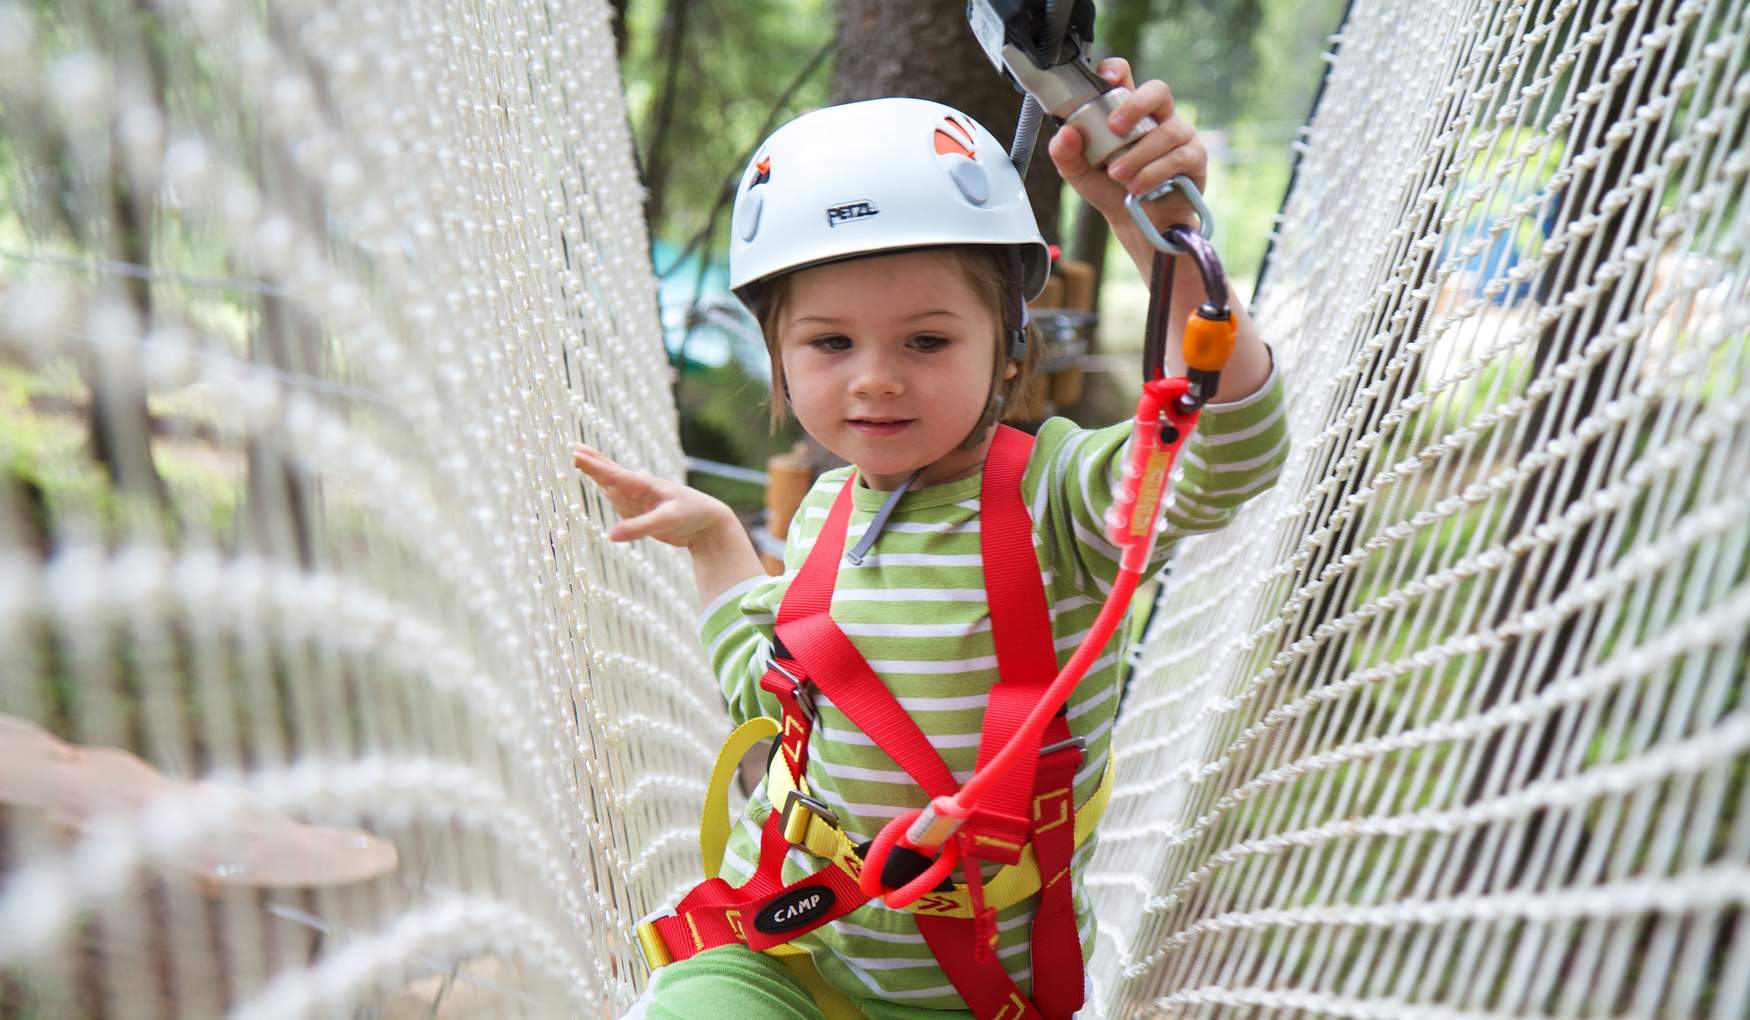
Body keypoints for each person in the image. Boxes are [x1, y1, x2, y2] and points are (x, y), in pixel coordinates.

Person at [578, 58, 1288, 1020]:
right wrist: (715, 542)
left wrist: (1156, 232)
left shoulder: (1059, 501)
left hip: (972, 989)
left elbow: (1226, 450)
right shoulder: (830, 512)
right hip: (779, 945)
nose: (875, 379)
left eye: (926, 341)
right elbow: (784, 697)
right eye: (831, 344)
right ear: (779, 359)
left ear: (1007, 345)